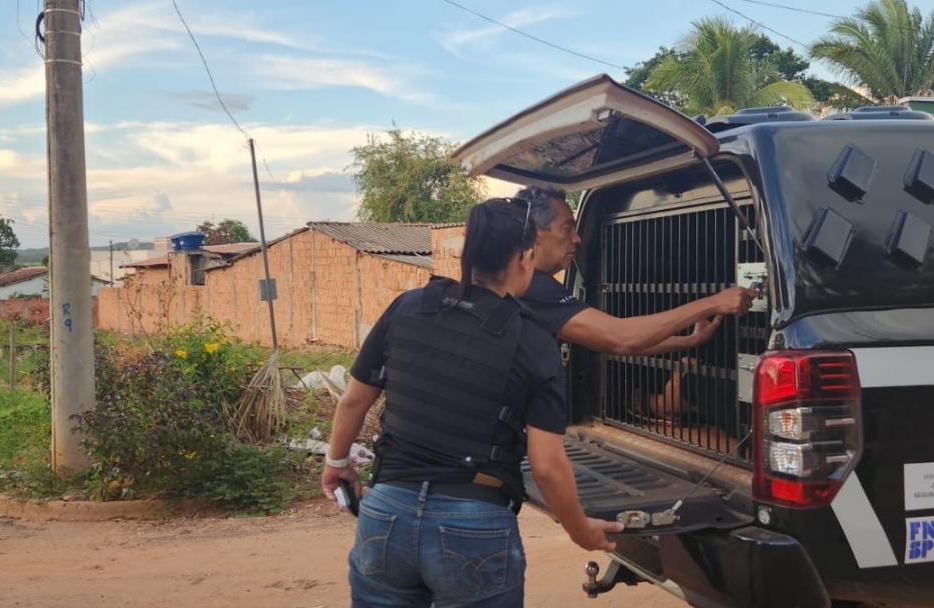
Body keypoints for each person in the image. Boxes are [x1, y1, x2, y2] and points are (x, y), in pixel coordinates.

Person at [321, 198, 624, 608]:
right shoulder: (534, 343)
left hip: (386, 511)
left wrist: (337, 464)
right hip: (474, 522)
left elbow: (355, 400)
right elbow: (548, 467)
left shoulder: (408, 307)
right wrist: (579, 530)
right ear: (524, 258)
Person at [514, 185, 756, 355]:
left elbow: (616, 341)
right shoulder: (534, 287)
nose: (577, 239)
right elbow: (621, 338)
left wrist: (691, 340)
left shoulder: (529, 284)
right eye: (567, 228)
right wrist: (713, 303)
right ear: (537, 234)